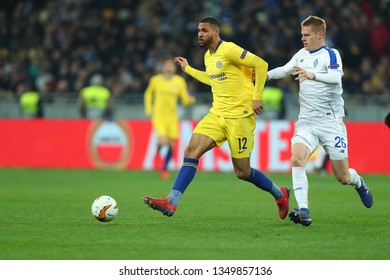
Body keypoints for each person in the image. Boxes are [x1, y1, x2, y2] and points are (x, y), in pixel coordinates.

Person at [143, 16, 290, 219]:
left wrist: (256, 98)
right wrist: (188, 69)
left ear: (216, 32)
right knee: (191, 149)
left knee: (242, 172)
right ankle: (171, 201)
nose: (200, 34)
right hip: (217, 114)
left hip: (240, 117)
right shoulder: (208, 57)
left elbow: (261, 64)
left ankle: (279, 193)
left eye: (204, 30)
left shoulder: (229, 50)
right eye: (198, 31)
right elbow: (211, 79)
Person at [267, 15, 373, 227]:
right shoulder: (300, 54)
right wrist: (263, 75)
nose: (303, 39)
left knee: (343, 177)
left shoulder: (331, 54)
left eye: (306, 35)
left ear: (319, 34)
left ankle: (358, 182)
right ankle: (304, 210)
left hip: (330, 123)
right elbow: (285, 70)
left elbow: (336, 77)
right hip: (306, 121)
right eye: (301, 35)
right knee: (297, 159)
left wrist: (313, 75)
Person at [144, 58, 196, 179]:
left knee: (172, 146)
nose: (168, 68)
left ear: (174, 68)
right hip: (159, 116)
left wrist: (190, 100)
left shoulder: (179, 81)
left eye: (170, 66)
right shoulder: (155, 80)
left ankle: (164, 169)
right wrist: (148, 108)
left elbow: (184, 97)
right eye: (166, 65)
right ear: (163, 67)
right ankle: (158, 148)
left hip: (172, 117)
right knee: (163, 141)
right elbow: (148, 93)